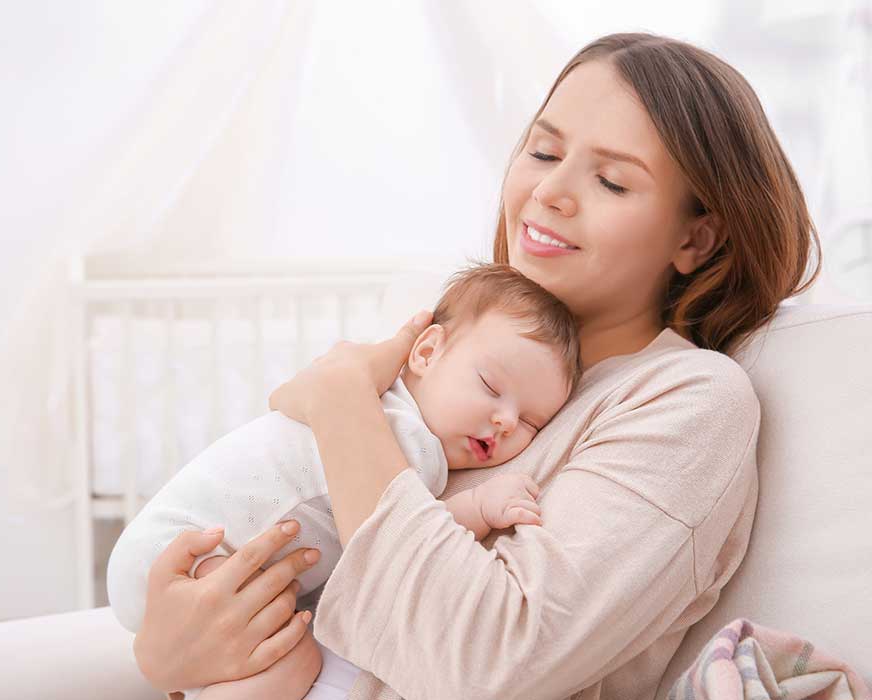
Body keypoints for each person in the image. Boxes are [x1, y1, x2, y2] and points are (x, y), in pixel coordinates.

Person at [128, 32, 822, 700]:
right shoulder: (456, 353)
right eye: (544, 151)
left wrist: (342, 397)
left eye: (611, 181)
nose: (549, 192)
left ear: (695, 239)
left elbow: (485, 662)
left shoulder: (689, 402)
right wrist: (168, 654)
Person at [106, 262, 582, 700]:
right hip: (189, 554)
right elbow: (404, 533)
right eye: (491, 387)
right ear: (428, 351)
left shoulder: (366, 395)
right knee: (289, 660)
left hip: (168, 552)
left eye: (530, 423)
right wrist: (479, 506)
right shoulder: (404, 436)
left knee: (279, 660)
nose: (504, 420)